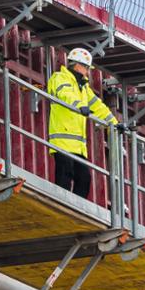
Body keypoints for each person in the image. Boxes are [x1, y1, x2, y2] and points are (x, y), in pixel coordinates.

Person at [47, 46, 119, 200]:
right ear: (79, 65)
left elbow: (98, 106)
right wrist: (79, 105)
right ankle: (62, 204)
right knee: (65, 175)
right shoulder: (60, 78)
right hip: (62, 140)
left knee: (84, 178)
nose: (88, 72)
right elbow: (65, 94)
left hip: (78, 146)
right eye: (87, 68)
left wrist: (114, 123)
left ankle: (76, 207)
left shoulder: (83, 88)